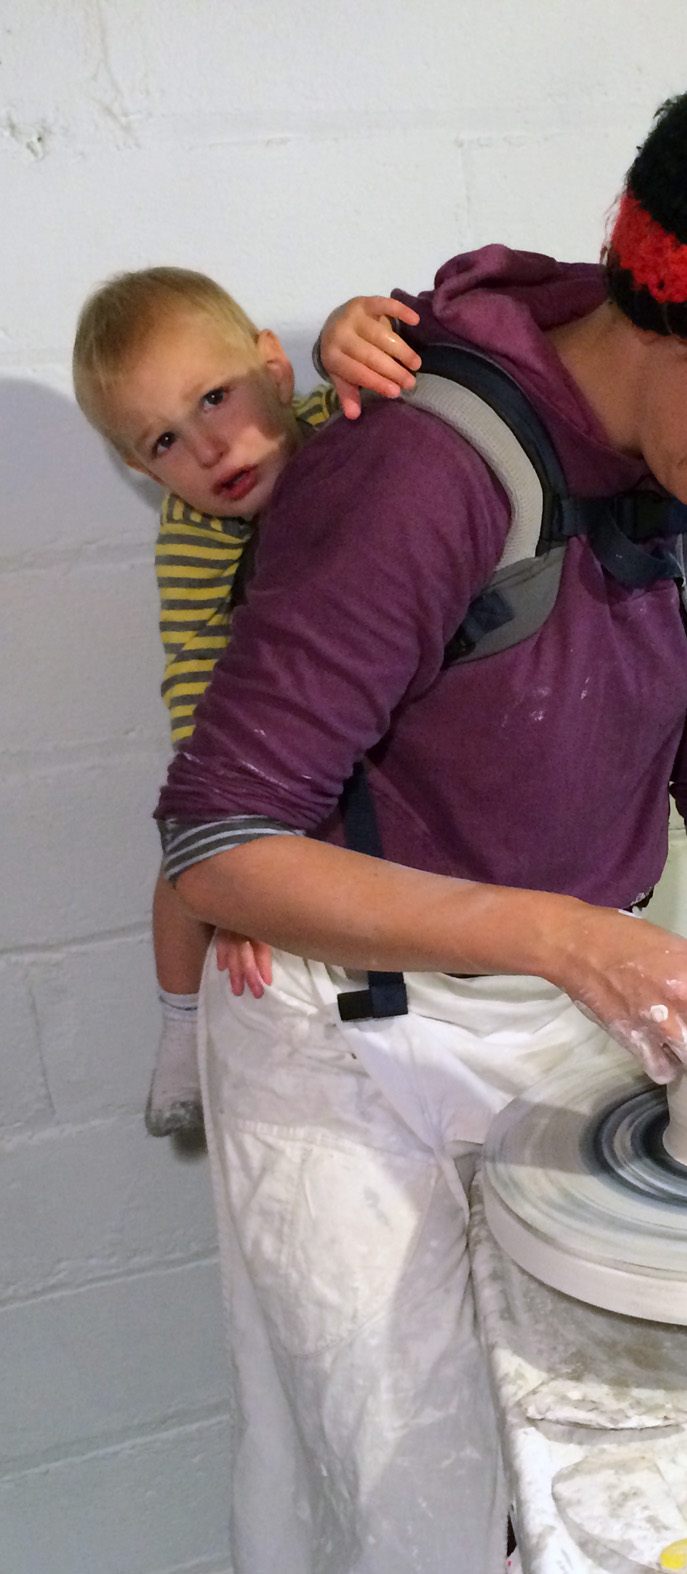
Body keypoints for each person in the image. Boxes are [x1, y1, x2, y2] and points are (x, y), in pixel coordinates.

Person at [155, 1, 687, 1569]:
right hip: (345, 1042)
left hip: (552, 1013)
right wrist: (579, 937)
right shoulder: (424, 468)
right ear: (665, 318)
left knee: (572, 1482)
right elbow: (220, 843)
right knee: (404, 1511)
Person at [71, 268, 420, 1136]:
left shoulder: (340, 427)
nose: (207, 449)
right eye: (163, 442)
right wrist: (239, 858)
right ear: (137, 467)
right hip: (260, 734)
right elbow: (195, 681)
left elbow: (404, 360)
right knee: (184, 850)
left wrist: (348, 327)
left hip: (367, 719)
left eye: (216, 398)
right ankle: (180, 1029)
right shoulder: (192, 538)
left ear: (275, 368)